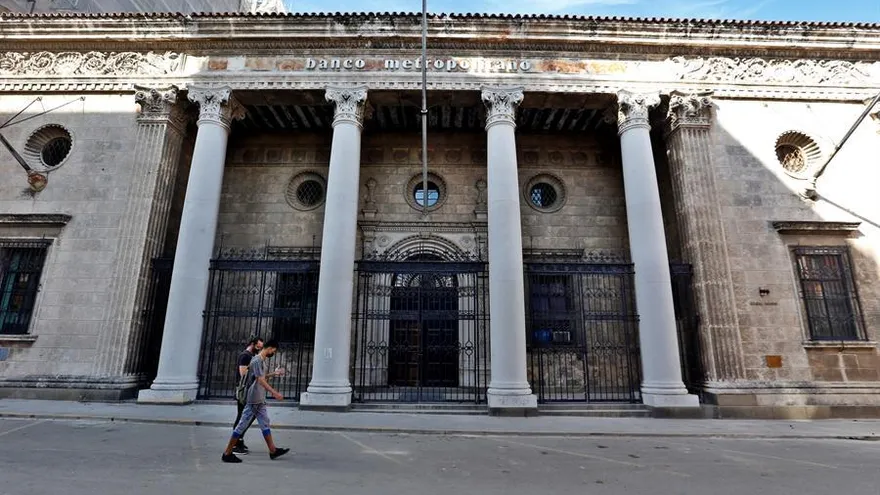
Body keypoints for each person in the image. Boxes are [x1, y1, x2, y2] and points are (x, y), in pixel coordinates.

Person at [222, 339, 289, 463]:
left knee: (264, 423)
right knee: (242, 425)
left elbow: (261, 376)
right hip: (253, 399)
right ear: (270, 348)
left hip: (259, 399)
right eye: (274, 351)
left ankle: (273, 450)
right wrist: (274, 392)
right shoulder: (257, 360)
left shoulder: (261, 360)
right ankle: (227, 453)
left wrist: (274, 373)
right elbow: (260, 380)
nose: (273, 353)